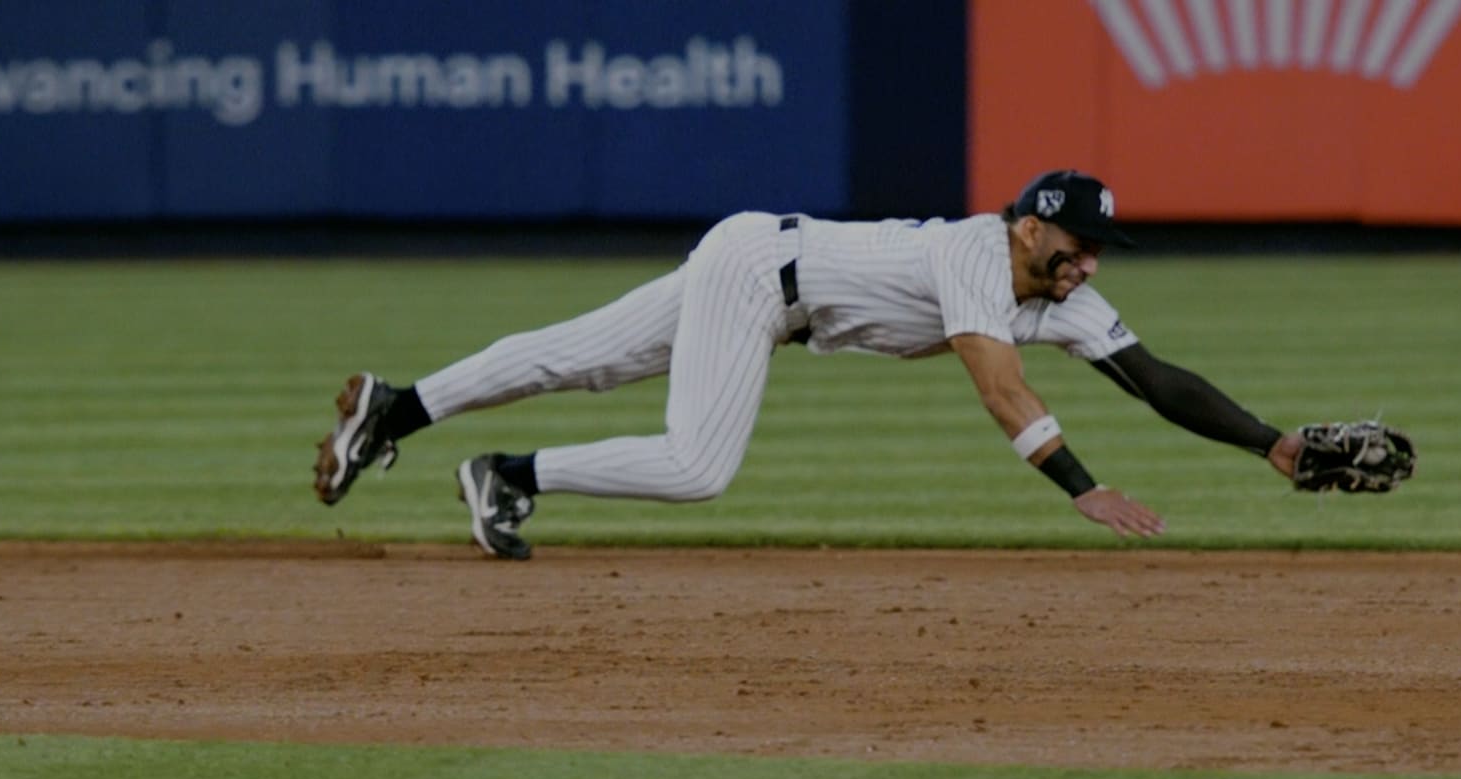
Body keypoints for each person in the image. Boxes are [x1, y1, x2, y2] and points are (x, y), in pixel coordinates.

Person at [313, 169, 1302, 559]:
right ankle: (504, 475)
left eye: (1097, 255)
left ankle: (394, 413)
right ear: (1030, 225)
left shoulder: (1057, 295)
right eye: (1075, 246)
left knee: (584, 358)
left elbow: (1156, 376)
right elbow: (1000, 388)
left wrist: (1271, 444)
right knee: (697, 466)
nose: (1086, 265)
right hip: (757, 277)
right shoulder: (976, 254)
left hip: (765, 269)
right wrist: (1080, 487)